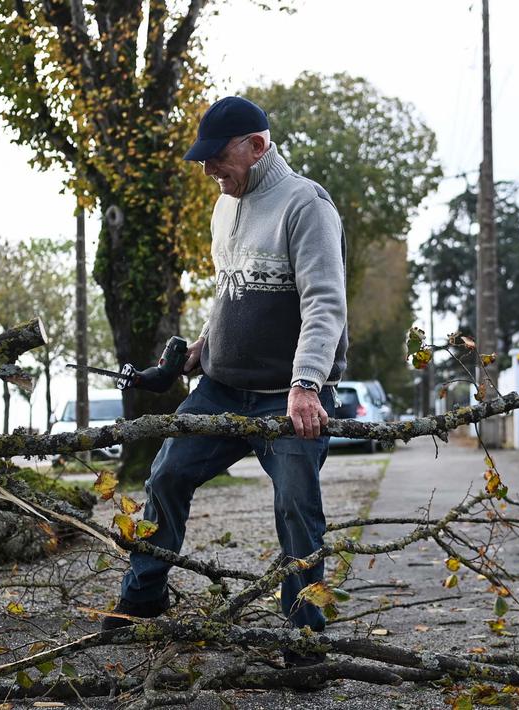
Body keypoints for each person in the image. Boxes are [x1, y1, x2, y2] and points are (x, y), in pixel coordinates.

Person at [105, 96, 348, 665]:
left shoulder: (306, 205)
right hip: (220, 386)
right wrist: (201, 348)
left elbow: (324, 304)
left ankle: (304, 640)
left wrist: (307, 383)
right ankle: (144, 598)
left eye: (218, 158)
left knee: (296, 507)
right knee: (166, 474)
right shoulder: (224, 207)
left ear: (257, 146)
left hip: (287, 397)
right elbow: (232, 293)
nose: (209, 170)